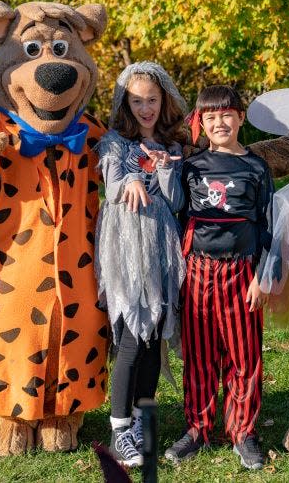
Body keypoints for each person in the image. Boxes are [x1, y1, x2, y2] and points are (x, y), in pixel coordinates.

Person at [164, 85, 274, 471]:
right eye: (210, 117)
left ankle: (243, 431)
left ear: (240, 117)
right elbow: (177, 219)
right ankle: (197, 428)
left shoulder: (256, 167)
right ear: (201, 123)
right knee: (200, 357)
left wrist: (263, 277)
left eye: (226, 114)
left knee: (244, 357)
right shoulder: (192, 166)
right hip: (197, 272)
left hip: (241, 270)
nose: (219, 123)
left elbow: (268, 227)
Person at [94, 62, 187, 468]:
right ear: (125, 103)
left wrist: (166, 170)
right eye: (137, 101)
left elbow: (177, 202)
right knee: (132, 335)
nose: (146, 108)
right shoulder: (115, 142)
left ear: (163, 99)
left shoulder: (173, 145)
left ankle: (140, 420)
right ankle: (118, 430)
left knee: (154, 338)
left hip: (161, 248)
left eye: (152, 100)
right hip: (127, 247)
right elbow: (113, 185)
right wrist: (130, 180)